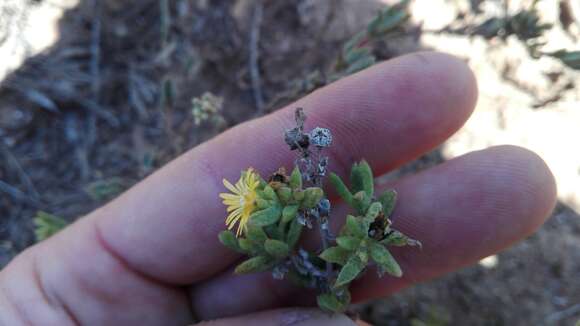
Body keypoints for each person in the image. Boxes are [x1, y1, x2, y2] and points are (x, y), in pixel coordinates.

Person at [0, 52, 556, 326]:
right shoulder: (263, 219)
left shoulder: (292, 200)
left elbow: (317, 202)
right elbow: (275, 227)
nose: (248, 200)